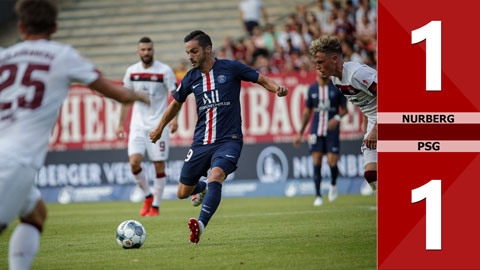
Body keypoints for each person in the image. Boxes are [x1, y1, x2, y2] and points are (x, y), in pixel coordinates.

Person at [0, 1, 150, 269]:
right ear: (55, 27)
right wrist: (138, 95)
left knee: (36, 214)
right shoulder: (62, 55)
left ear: (21, 27)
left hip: (7, 154)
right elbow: (114, 91)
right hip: (15, 161)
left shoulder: (5, 56)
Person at [149, 30, 288, 244]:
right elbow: (176, 103)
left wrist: (276, 88)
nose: (190, 57)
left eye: (194, 51)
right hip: (201, 143)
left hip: (228, 140)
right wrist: (159, 128)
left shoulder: (231, 68)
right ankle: (201, 188)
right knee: (182, 193)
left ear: (207, 49)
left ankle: (201, 224)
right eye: (187, 52)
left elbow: (261, 79)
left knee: (216, 175)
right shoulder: (191, 77)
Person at [116, 37, 178, 217]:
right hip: (137, 126)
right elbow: (126, 100)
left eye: (149, 49)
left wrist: (174, 119)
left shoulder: (164, 71)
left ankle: (156, 207)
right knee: (134, 163)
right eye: (143, 50)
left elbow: (176, 97)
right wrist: (120, 124)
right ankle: (148, 196)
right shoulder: (131, 72)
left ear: (153, 50)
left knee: (159, 166)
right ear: (138, 51)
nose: (146, 53)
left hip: (158, 125)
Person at [309, 34, 377, 191]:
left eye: (320, 62)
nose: (317, 67)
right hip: (375, 121)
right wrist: (367, 126)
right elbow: (365, 102)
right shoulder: (336, 80)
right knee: (371, 175)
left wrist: (375, 129)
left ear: (333, 59)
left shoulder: (356, 73)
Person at [294, 72, 347, 206]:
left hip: (332, 131)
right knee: (316, 161)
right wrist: (300, 133)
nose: (321, 71)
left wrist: (336, 118)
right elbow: (307, 112)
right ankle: (318, 195)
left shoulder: (336, 88)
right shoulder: (312, 89)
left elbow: (345, 110)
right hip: (315, 130)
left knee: (332, 162)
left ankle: (333, 184)